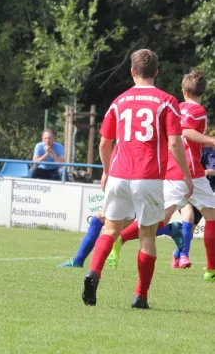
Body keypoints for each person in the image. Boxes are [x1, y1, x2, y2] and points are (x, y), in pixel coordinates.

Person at [81, 49, 193, 310]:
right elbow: (175, 142)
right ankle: (140, 295)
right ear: (156, 71)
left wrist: (108, 171)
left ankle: (94, 272)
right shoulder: (167, 101)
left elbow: (104, 143)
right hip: (148, 175)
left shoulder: (119, 102)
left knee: (110, 229)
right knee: (147, 235)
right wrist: (186, 175)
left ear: (132, 72)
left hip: (119, 173)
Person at [107, 70, 215, 279]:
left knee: (158, 220)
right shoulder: (198, 110)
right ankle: (211, 269)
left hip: (171, 169)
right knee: (211, 216)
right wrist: (211, 141)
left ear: (183, 91)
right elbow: (185, 132)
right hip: (190, 172)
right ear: (203, 91)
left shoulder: (176, 107)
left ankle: (120, 239)